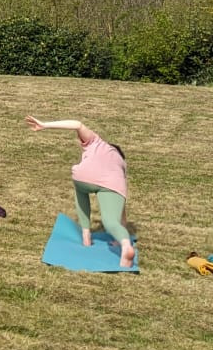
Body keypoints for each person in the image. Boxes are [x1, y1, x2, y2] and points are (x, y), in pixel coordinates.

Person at [26, 115, 134, 268]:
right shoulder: (121, 164)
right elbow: (121, 204)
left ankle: (86, 236)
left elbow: (77, 124)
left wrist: (45, 125)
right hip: (113, 183)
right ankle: (126, 245)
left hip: (84, 176)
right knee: (110, 222)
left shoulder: (96, 141)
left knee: (80, 189)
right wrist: (120, 234)